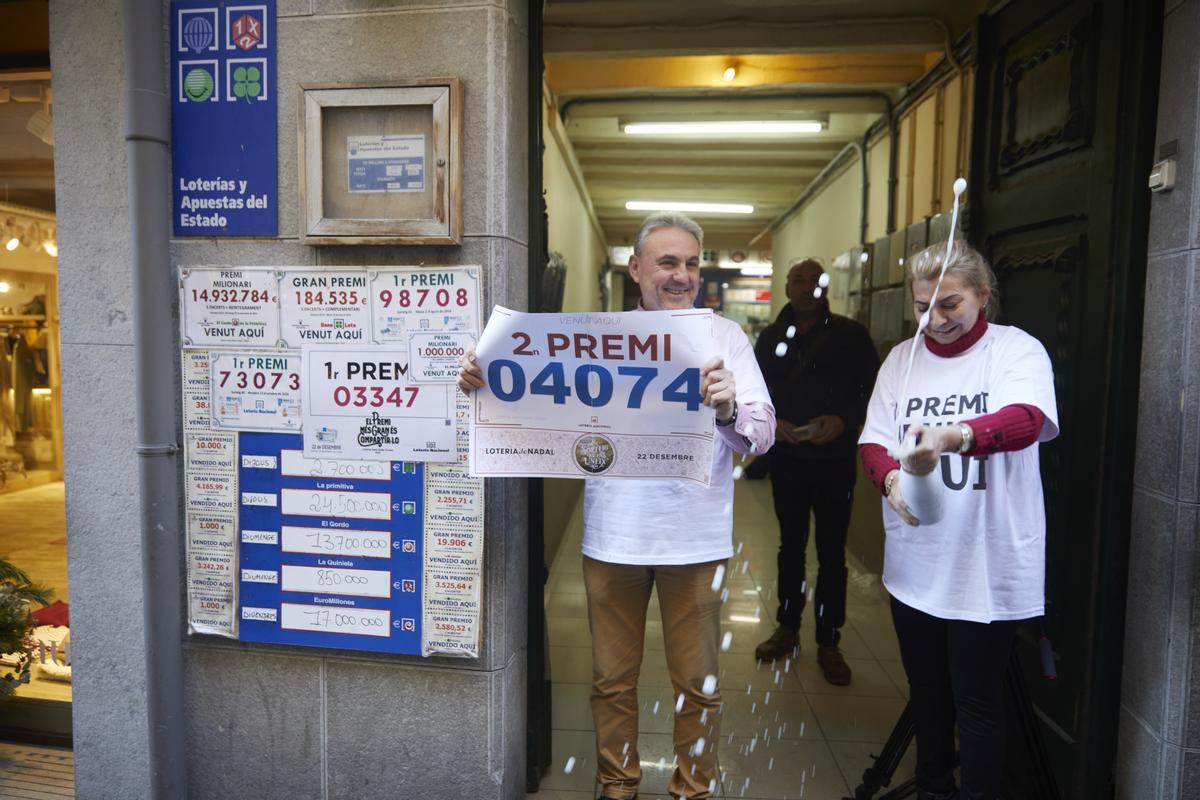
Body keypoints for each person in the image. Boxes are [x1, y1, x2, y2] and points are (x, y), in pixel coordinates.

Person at [459, 213, 774, 800]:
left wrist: (730, 410)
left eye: (690, 263)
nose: (681, 276)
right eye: (667, 263)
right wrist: (487, 379)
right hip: (613, 537)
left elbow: (763, 435)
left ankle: (693, 790)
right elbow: (534, 396)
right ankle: (617, 785)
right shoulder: (594, 336)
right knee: (611, 680)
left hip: (695, 541)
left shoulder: (725, 337)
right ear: (636, 270)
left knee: (698, 685)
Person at [857, 241, 1058, 800]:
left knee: (976, 702)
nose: (935, 321)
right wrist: (892, 480)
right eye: (923, 307)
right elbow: (873, 441)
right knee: (928, 694)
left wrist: (954, 437)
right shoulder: (902, 359)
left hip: (984, 562)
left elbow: (1026, 420)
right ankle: (933, 787)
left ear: (982, 294)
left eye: (949, 305)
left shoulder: (1014, 351)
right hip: (917, 562)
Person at [751, 258, 879, 685]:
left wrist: (844, 419)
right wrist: (774, 424)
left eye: (813, 281)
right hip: (788, 461)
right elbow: (756, 394)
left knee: (831, 553)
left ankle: (829, 640)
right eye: (798, 281)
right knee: (790, 546)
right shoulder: (770, 339)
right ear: (787, 287)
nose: (806, 288)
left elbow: (873, 392)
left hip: (834, 461)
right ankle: (787, 627)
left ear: (825, 287)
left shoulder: (851, 336)